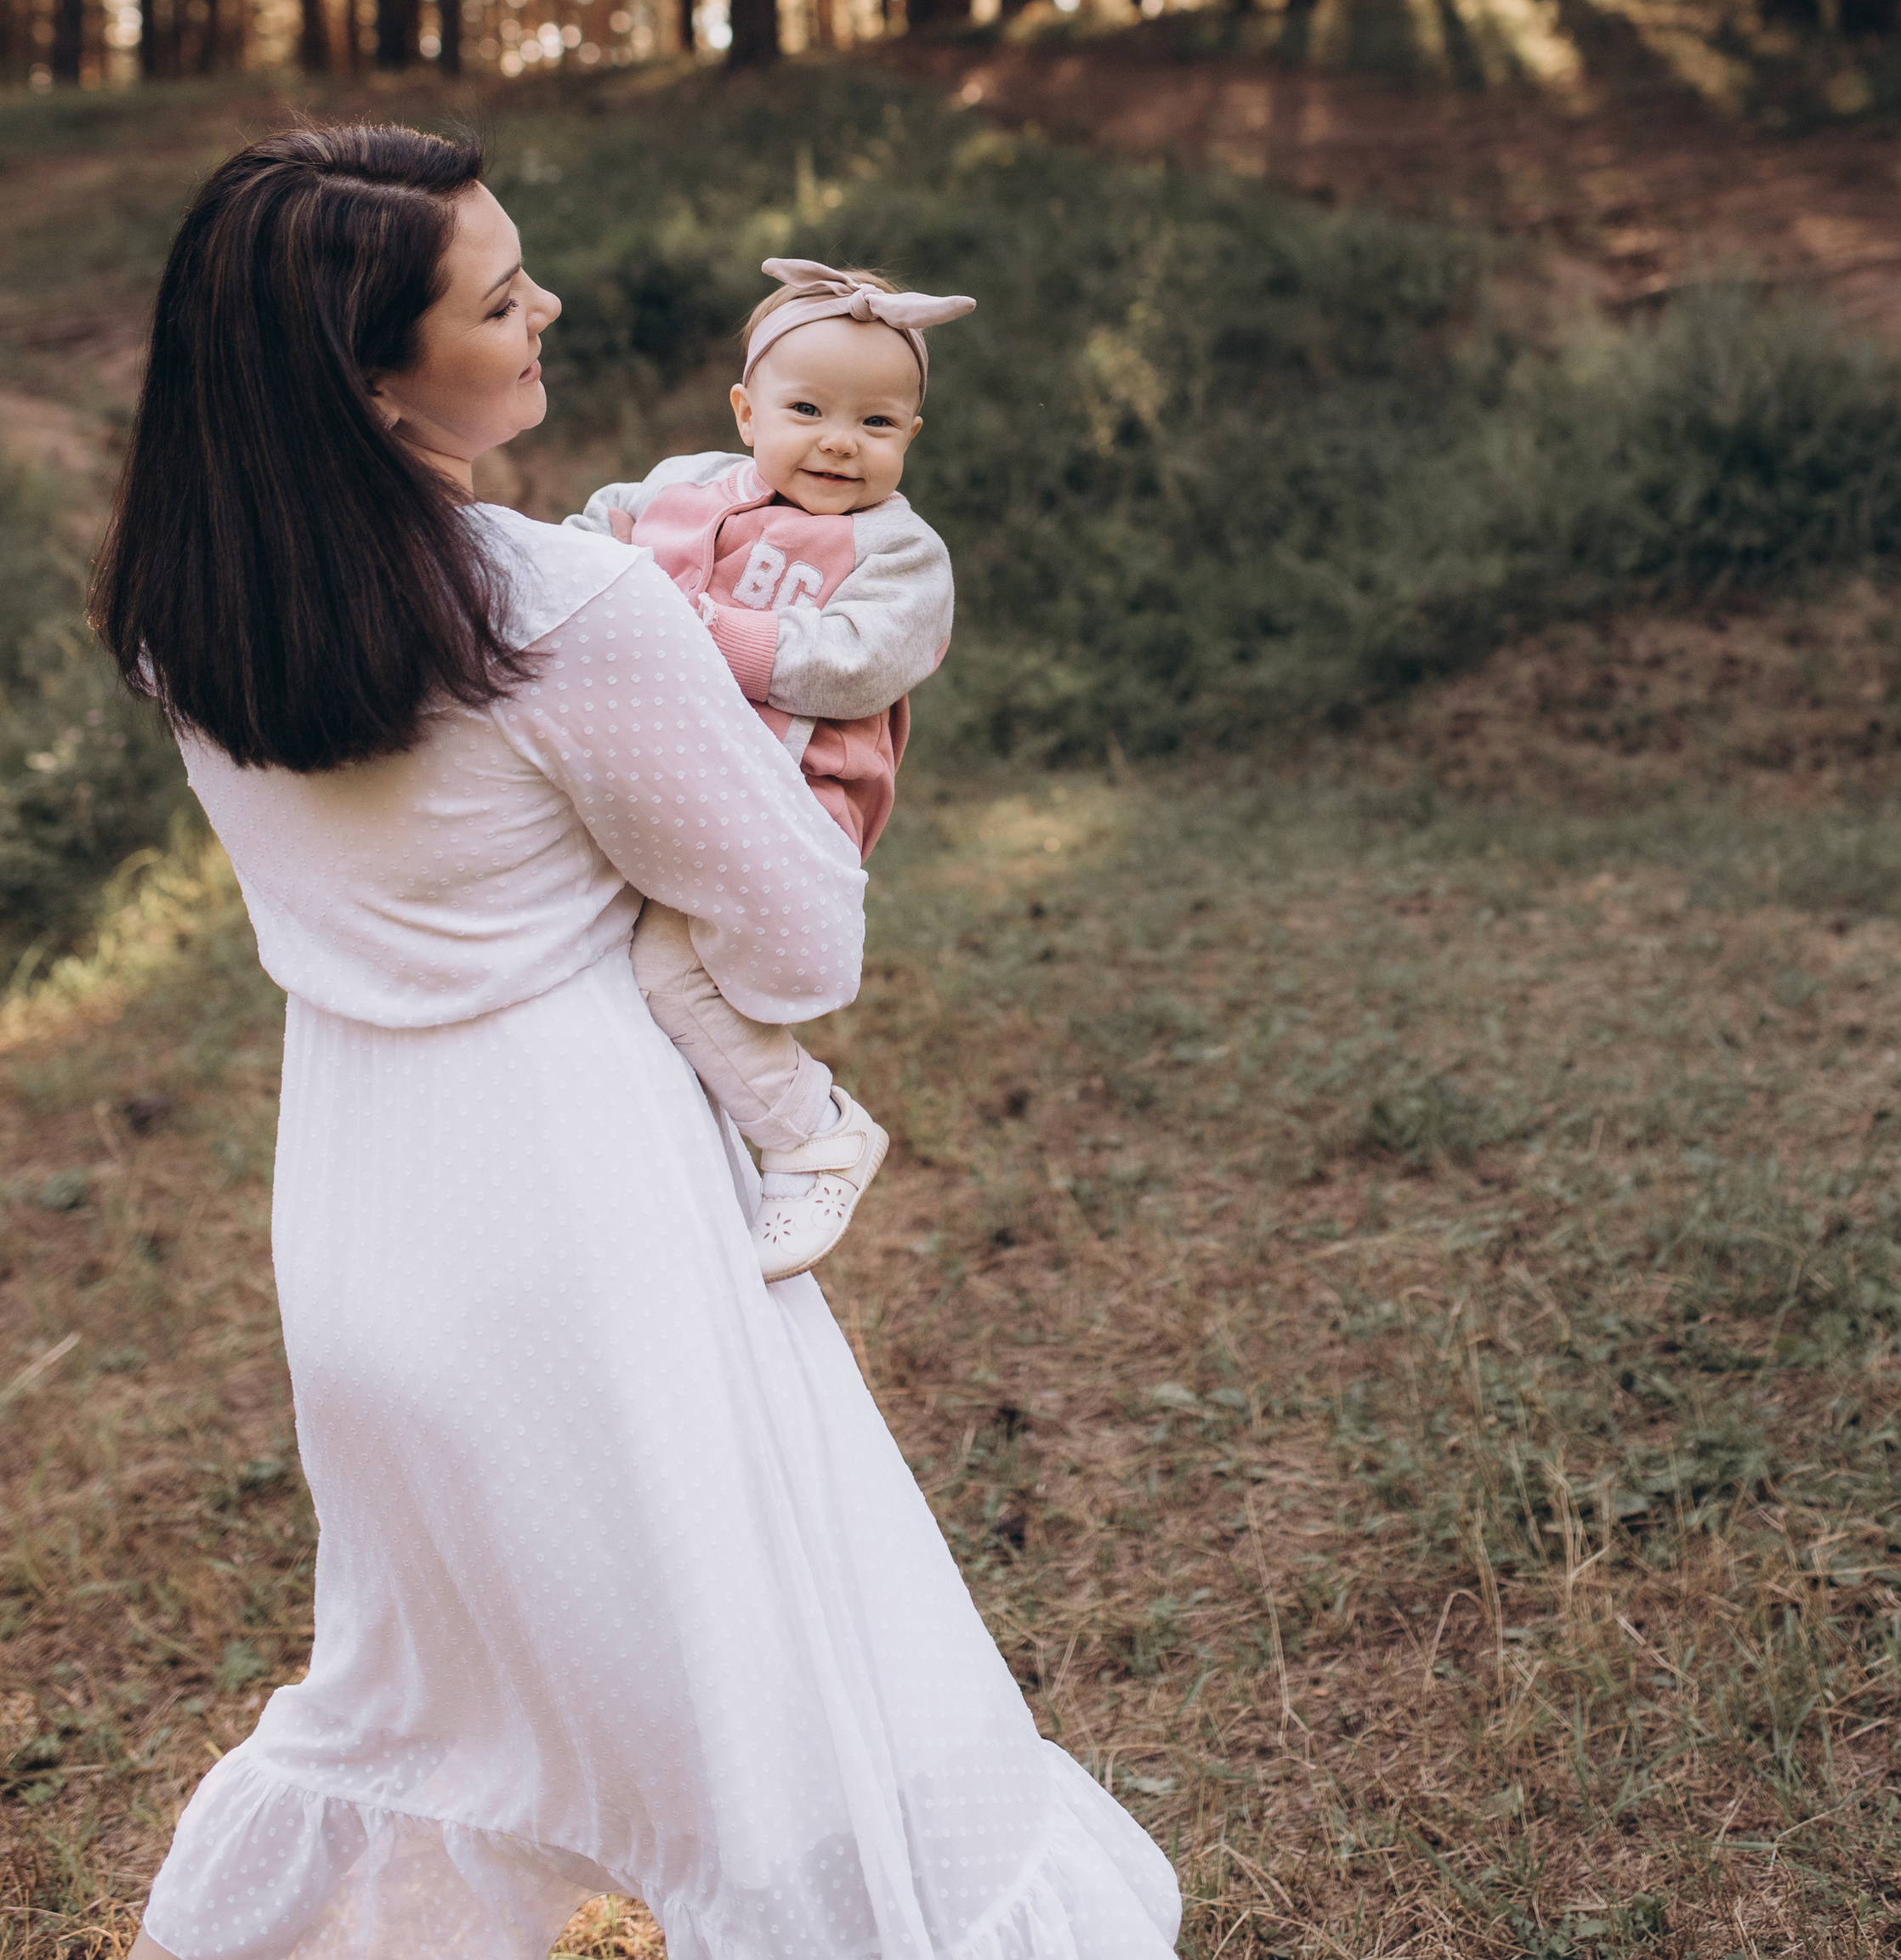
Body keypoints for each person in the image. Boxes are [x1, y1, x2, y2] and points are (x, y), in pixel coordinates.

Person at [91, 122, 1180, 1960]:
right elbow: (797, 935)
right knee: (750, 1698)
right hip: (588, 1204)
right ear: (369, 374)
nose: (549, 306)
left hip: (359, 1207)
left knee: (426, 1672)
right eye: (501, 295)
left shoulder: (187, 614)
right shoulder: (566, 608)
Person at [569, 258, 974, 1284]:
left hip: (786, 804)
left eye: (877, 424)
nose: (841, 440)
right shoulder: (671, 491)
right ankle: (625, 1159)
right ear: (747, 411)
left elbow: (856, 661)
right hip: (655, 784)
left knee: (671, 965)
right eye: (808, 409)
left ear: (910, 440)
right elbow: (574, 561)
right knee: (575, 941)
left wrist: (699, 630)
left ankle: (813, 1131)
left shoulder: (897, 552)